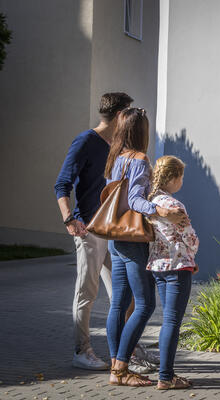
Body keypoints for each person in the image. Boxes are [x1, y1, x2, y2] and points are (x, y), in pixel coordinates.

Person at [104, 108, 187, 387]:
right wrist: (161, 211)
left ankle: (116, 369)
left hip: (115, 237)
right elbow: (135, 200)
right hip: (132, 240)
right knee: (145, 304)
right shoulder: (139, 159)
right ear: (141, 131)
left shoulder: (116, 158)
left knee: (118, 304)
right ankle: (121, 370)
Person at [55, 92, 133, 370]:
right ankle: (82, 351)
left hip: (115, 230)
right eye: (130, 113)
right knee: (87, 291)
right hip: (89, 229)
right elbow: (62, 184)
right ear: (120, 115)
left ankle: (127, 353)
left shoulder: (120, 144)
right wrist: (69, 219)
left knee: (125, 294)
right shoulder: (86, 141)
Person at [147, 155, 198, 390]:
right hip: (179, 268)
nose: (182, 181)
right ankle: (166, 377)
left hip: (158, 266)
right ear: (174, 177)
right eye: (182, 176)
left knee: (167, 320)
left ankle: (165, 374)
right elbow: (190, 237)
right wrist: (194, 251)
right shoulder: (175, 205)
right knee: (172, 322)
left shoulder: (151, 204)